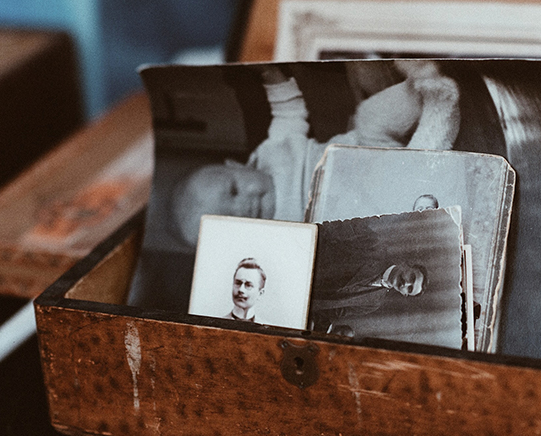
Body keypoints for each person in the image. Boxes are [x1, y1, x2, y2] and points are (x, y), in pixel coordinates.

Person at [170, 61, 462, 248]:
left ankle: (426, 89)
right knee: (395, 216)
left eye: (233, 191)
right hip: (370, 199)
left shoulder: (271, 152)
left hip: (364, 146)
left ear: (236, 165)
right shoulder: (276, 236)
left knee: (369, 117)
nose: (243, 207)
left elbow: (288, 113)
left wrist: (273, 77)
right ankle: (432, 138)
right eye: (230, 222)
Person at [310, 262, 428, 332]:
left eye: (410, 289)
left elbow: (336, 312)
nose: (405, 284)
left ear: (404, 294)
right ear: (406, 265)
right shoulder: (374, 249)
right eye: (411, 277)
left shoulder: (373, 304)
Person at [224, 258, 266, 323]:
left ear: (260, 293)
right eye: (238, 283)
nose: (241, 289)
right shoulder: (216, 326)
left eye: (248, 285)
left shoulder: (266, 331)